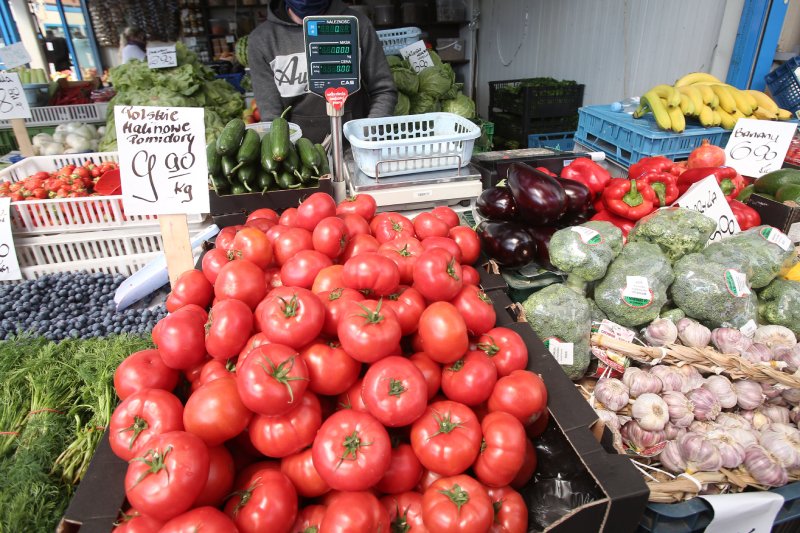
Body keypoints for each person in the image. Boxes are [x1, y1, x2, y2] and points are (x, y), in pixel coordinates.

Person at [248, 0, 397, 144]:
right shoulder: (262, 40)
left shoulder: (357, 24)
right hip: (300, 154)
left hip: (356, 149)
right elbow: (272, 119)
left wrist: (367, 137)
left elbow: (383, 90)